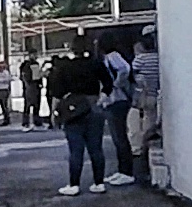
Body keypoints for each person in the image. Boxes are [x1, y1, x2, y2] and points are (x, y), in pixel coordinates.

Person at [47, 34, 115, 195]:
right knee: (96, 148)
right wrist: (101, 98)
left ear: (72, 48)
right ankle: (99, 183)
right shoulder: (96, 63)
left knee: (76, 150)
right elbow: (108, 83)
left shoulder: (65, 66)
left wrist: (53, 113)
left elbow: (57, 92)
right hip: (94, 107)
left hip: (73, 109)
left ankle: (74, 184)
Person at [99, 37, 137, 186]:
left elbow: (124, 69)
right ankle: (122, 171)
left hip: (117, 100)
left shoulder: (112, 56)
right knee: (118, 137)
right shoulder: (112, 56)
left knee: (120, 137)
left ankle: (126, 172)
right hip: (116, 100)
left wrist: (115, 84)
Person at [130, 27, 161, 178]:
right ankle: (146, 149)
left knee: (136, 126)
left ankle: (139, 154)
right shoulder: (159, 57)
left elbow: (133, 74)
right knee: (151, 124)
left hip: (141, 96)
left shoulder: (140, 58)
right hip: (155, 95)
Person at [0, 61, 13, 126]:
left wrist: (0, 80)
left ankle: (7, 119)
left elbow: (8, 79)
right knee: (2, 105)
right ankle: (5, 118)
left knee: (4, 105)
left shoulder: (5, 73)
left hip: (4, 89)